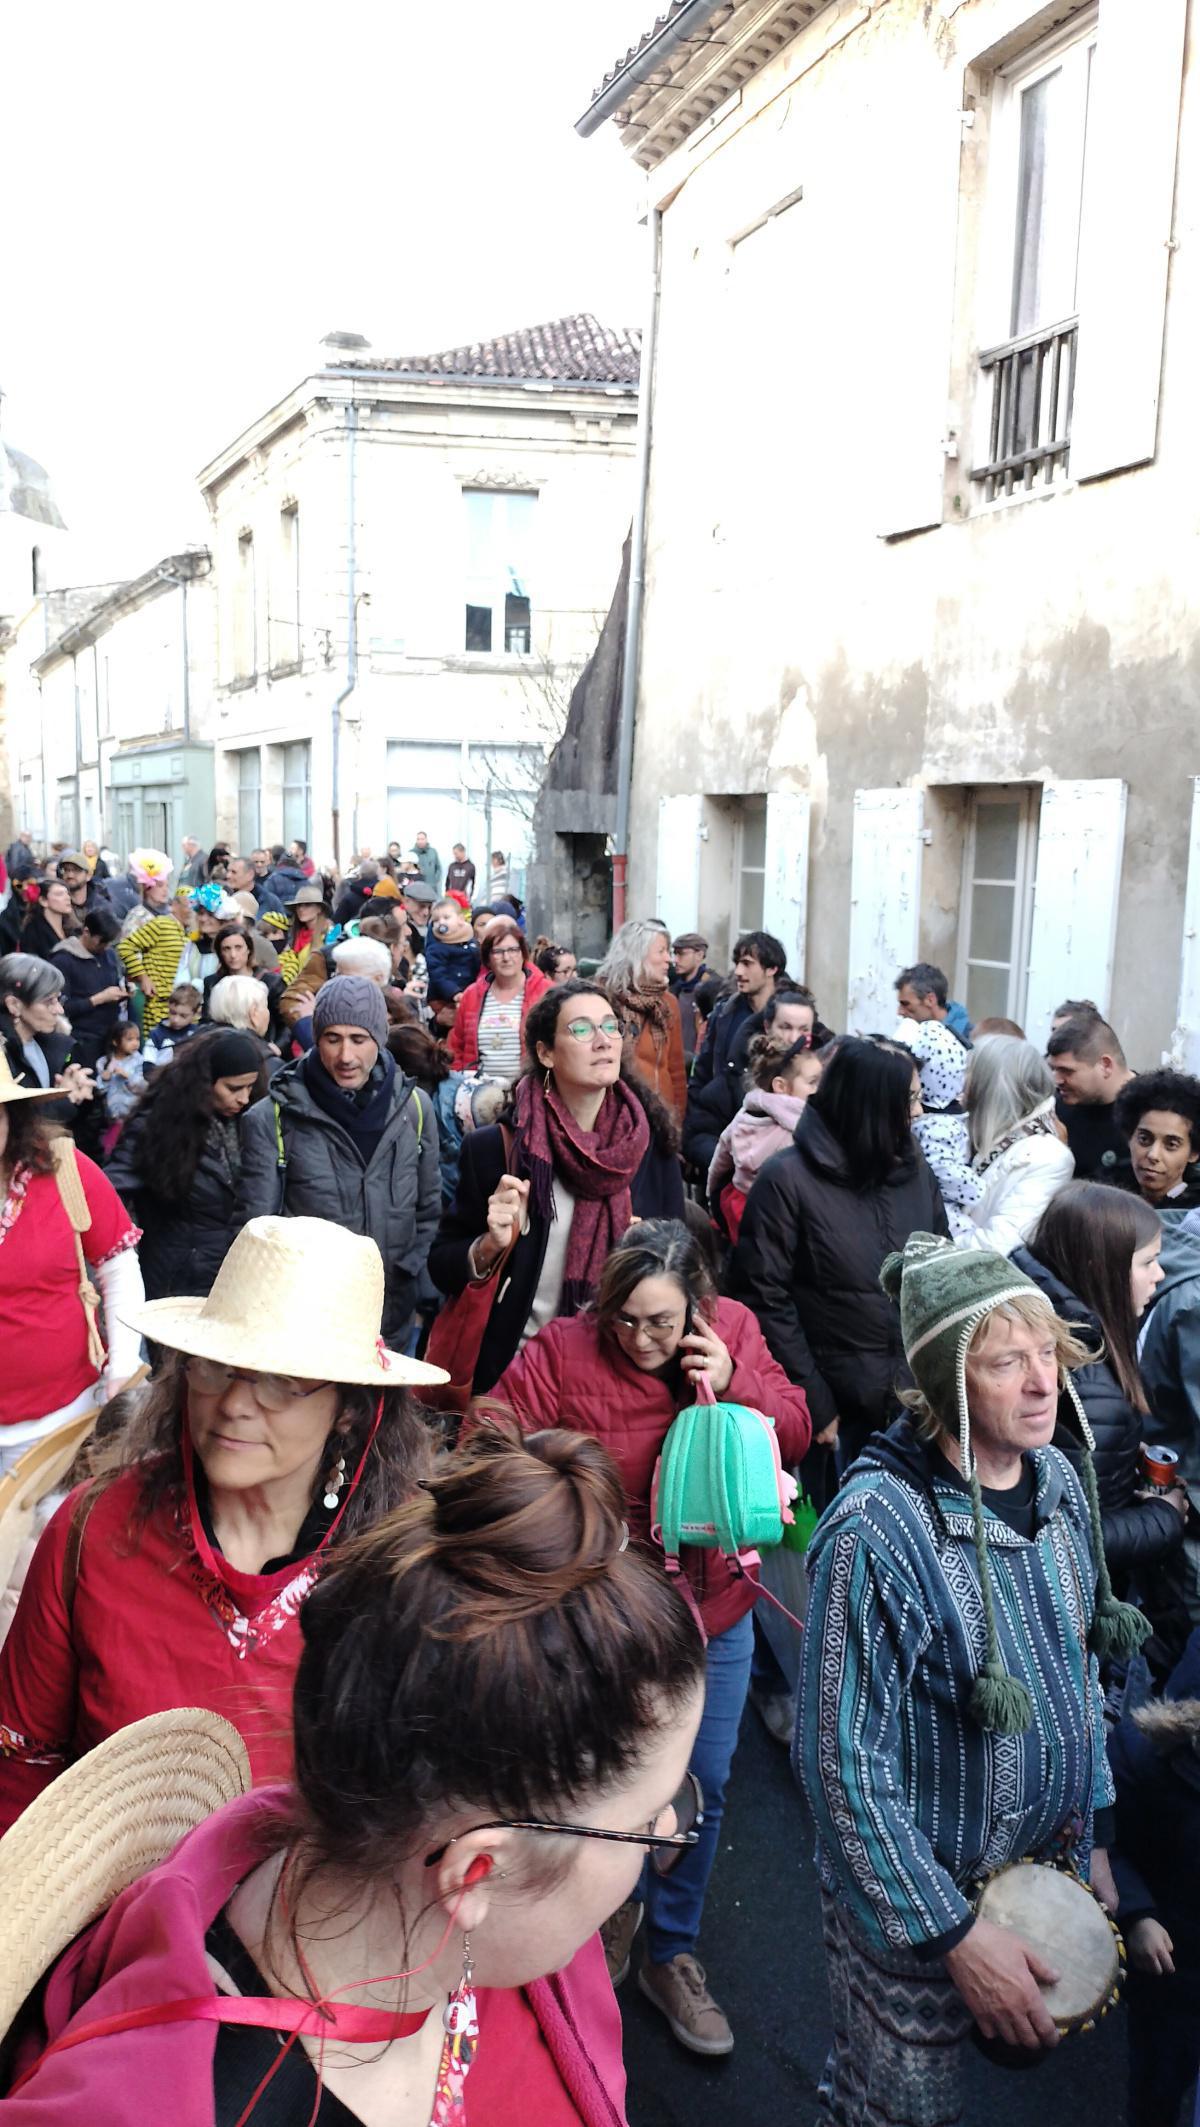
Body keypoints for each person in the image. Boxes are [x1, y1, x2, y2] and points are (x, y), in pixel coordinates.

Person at [2, 1425, 703, 2126]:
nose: (668, 1827)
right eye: (643, 1822)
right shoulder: (148, 2104)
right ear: (477, 1871)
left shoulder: (527, 1946)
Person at [800, 1233, 1142, 2127]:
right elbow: (841, 1765)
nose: (1042, 1383)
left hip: (1040, 1869)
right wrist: (952, 1931)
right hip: (914, 1913)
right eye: (1005, 1363)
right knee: (895, 2111)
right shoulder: (876, 1529)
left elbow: (1079, 1671)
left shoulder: (1062, 1479)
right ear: (947, 1380)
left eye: (1047, 1354)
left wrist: (1096, 1831)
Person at [0, 1217, 444, 1835]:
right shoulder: (95, 1528)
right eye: (215, 1367)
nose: (234, 1403)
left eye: (282, 1381)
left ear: (349, 1408)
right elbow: (24, 1758)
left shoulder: (403, 1578)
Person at [488, 1219, 809, 2054]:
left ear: (697, 1308)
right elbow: (488, 1434)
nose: (640, 1338)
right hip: (603, 1615)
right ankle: (580, 1933)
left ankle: (671, 1950)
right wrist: (559, 1497)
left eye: (662, 1323)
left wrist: (736, 1384)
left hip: (715, 1613)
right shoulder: (565, 1348)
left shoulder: (732, 1328)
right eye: (624, 1318)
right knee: (586, 1782)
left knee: (699, 1788)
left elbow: (799, 1428)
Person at [430, 979, 686, 1397]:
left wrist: (651, 1254)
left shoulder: (649, 1146)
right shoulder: (498, 1150)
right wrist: (488, 1247)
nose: (603, 1040)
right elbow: (442, 1265)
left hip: (619, 1382)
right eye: (582, 1030)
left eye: (611, 1026)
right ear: (546, 1052)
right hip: (517, 1380)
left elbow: (682, 1275)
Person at [734, 1036, 948, 1471]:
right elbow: (763, 1297)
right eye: (908, 1100)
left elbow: (939, 1270)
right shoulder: (787, 1180)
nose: (918, 1113)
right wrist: (812, 1395)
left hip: (912, 1405)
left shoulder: (914, 1173)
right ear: (871, 1104)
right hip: (833, 1418)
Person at [237, 976, 440, 1343]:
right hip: (306, 1322)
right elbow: (256, 1233)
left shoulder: (416, 1109)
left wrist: (411, 1271)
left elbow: (427, 1209)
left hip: (390, 1318)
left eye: (358, 1040)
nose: (346, 1056)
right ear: (316, 1039)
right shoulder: (271, 1119)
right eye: (333, 1039)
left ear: (379, 1038)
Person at [1015, 1181, 1188, 1587]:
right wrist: (1163, 1518)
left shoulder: (1056, 1326)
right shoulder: (1082, 1379)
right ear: (1100, 1267)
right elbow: (1055, 1540)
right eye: (1148, 1263)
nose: (1159, 1276)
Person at [0, 1050, 142, 1478]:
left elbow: (117, 1265)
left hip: (57, 1427)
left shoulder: (64, 1170)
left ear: (12, 1116)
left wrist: (123, 1367)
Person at [1107, 1626, 1200, 2127]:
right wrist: (1137, 1914)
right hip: (1175, 1976)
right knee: (1157, 2091)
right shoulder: (1145, 1759)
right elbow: (1105, 1844)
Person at [105, 1030, 266, 1298]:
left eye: (250, 1087)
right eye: (234, 1088)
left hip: (234, 1276)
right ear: (205, 1082)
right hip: (176, 1279)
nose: (244, 1098)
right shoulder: (158, 1125)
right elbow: (112, 1189)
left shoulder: (249, 1121)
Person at [953, 1035, 1074, 1254]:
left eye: (970, 1076)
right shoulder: (977, 1135)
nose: (962, 1090)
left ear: (992, 1092)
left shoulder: (1048, 1158)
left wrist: (933, 1243)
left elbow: (1000, 1247)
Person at [683, 930, 788, 1173]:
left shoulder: (793, 1015)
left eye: (747, 964)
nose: (738, 972)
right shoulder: (724, 1014)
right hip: (723, 1130)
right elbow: (702, 1073)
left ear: (771, 969)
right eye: (737, 963)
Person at [707, 1034, 823, 1242]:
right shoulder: (799, 1127)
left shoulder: (744, 1115)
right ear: (780, 1086)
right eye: (813, 1082)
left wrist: (712, 1194)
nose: (820, 1089)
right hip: (777, 1215)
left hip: (736, 1204)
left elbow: (720, 1159)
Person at [596, 919, 689, 1123]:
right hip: (616, 1119)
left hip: (661, 1120)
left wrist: (678, 1122)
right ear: (637, 954)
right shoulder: (604, 999)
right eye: (661, 951)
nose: (669, 959)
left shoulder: (667, 1004)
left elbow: (676, 1070)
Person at [448, 917, 551, 1083]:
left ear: (523, 954)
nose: (506, 957)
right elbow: (457, 1047)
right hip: (479, 1092)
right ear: (488, 958)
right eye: (498, 952)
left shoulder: (545, 992)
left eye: (513, 950)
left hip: (529, 1089)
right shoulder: (471, 995)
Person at [1046, 1011, 1135, 1184]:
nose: (1057, 1080)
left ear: (1105, 1066)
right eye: (1053, 1069)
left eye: (1067, 1071)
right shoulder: (1056, 1109)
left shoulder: (1149, 1112)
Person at [0, 953, 95, 1114]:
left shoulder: (56, 1045)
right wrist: (65, 1099)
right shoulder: (3, 1057)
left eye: (58, 999)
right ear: (14, 1005)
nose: (59, 1009)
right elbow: (16, 1121)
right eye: (48, 1002)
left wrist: (79, 1088)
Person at [51, 906, 126, 1070]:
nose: (105, 946)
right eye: (101, 941)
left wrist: (123, 992)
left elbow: (114, 982)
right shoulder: (63, 960)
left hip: (110, 1038)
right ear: (86, 932)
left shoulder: (109, 955)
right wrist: (98, 999)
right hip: (82, 1040)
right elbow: (61, 1007)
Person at [1114, 1068, 1200, 1210]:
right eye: (1144, 1139)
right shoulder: (1102, 1201)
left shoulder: (1194, 1218)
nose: (1153, 1155)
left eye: (1171, 1144)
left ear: (1194, 1153)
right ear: (1130, 1137)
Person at [424, 895, 481, 1025]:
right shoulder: (436, 948)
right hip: (443, 996)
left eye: (446, 917)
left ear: (460, 919)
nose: (441, 923)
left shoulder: (469, 942)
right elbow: (437, 974)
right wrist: (453, 992)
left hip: (467, 991)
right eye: (436, 920)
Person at [893, 961, 972, 1044]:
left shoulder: (971, 1042)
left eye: (906, 1004)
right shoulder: (913, 1035)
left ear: (930, 1000)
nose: (899, 1012)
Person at [96, 1022, 146, 1151]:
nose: (135, 1043)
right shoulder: (103, 1062)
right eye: (130, 1039)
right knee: (109, 1148)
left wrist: (128, 1076)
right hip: (110, 1117)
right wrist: (104, 1078)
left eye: (137, 1039)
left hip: (132, 1114)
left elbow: (144, 1087)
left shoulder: (140, 1061)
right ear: (115, 1041)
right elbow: (100, 1091)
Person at [668, 933, 711, 1063]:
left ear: (699, 955)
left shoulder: (711, 990)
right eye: (674, 954)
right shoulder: (673, 990)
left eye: (681, 954)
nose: (675, 960)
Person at [141, 983, 203, 1068]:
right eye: (173, 1013)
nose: (176, 1020)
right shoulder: (156, 1034)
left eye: (183, 1016)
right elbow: (147, 1067)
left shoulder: (197, 1034)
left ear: (195, 1014)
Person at [19, 877, 78, 963]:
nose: (67, 898)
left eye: (67, 893)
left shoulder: (72, 928)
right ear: (43, 901)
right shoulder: (33, 933)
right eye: (59, 894)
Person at [411, 828, 441, 893]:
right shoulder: (411, 853)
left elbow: (438, 868)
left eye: (422, 839)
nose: (420, 841)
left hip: (431, 886)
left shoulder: (433, 852)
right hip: (416, 888)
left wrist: (435, 880)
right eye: (418, 839)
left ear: (426, 840)